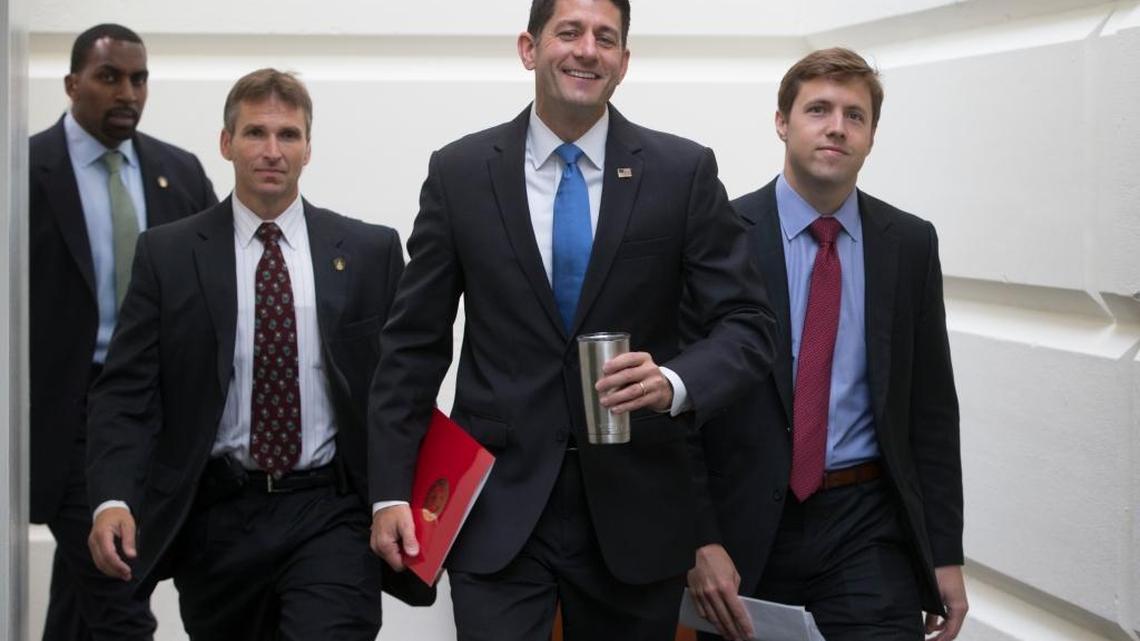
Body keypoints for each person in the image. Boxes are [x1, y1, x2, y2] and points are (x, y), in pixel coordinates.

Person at [368, 1, 775, 639]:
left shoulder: (681, 173)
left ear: (623, 63)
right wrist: (390, 490)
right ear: (529, 48)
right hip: (497, 509)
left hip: (637, 513)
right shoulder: (460, 173)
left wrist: (673, 381)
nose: (587, 50)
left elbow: (748, 324)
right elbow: (412, 347)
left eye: (605, 38)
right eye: (569, 32)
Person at [85, 68, 407, 640]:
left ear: (309, 148)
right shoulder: (169, 255)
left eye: (289, 135)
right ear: (226, 143)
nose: (272, 151)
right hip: (219, 517)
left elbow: (399, 386)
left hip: (328, 510)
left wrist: (392, 495)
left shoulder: (367, 252)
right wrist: (113, 496)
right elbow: (126, 392)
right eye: (256, 132)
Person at [687, 47, 968, 641]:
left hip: (866, 526)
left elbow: (931, 410)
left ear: (871, 136)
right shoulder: (720, 238)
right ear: (782, 122)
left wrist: (944, 553)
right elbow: (682, 410)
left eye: (855, 115)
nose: (837, 126)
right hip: (745, 532)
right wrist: (699, 538)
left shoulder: (909, 245)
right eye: (818, 109)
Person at [29, 22, 217, 641]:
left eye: (138, 79)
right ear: (71, 83)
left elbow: (215, 281)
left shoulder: (178, 172)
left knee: (85, 584)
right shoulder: (25, 171)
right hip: (67, 414)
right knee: (119, 590)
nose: (127, 93)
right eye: (109, 78)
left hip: (150, 409)